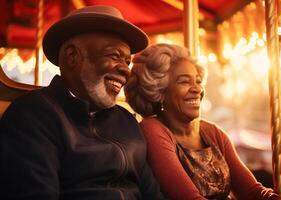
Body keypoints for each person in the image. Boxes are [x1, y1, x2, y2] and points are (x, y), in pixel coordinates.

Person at [0, 6, 166, 200]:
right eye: (114, 56)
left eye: (127, 61)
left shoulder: (127, 122)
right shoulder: (33, 115)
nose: (125, 70)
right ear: (72, 57)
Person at [124, 43, 281, 200]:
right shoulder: (153, 129)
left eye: (198, 81)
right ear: (159, 90)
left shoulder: (213, 133)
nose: (197, 89)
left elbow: (251, 192)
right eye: (185, 82)